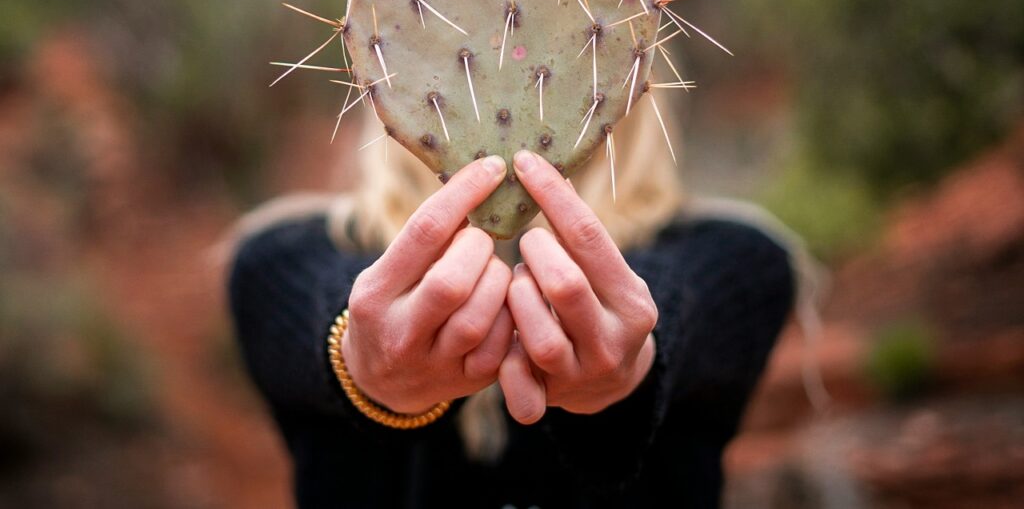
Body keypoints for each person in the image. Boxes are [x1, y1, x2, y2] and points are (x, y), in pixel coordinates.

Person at [226, 90, 802, 509]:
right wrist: (357, 354)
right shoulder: (281, 258)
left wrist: (639, 353)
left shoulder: (738, 259)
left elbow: (679, 298)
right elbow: (319, 302)